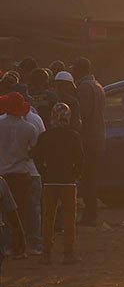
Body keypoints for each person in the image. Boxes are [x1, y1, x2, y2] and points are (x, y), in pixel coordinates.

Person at [33, 103, 81, 264]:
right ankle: (69, 253)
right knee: (69, 219)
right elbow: (80, 160)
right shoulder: (74, 136)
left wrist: (44, 173)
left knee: (48, 218)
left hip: (50, 181)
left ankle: (46, 253)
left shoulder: (45, 137)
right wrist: (75, 175)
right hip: (68, 182)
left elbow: (37, 158)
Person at [0, 92, 43, 253]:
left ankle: (7, 245)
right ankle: (25, 245)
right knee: (24, 211)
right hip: (22, 173)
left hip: (3, 174)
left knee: (5, 213)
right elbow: (34, 151)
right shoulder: (29, 128)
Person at [71, 59, 105, 226]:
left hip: (88, 138)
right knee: (91, 178)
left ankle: (90, 216)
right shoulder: (97, 85)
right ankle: (91, 214)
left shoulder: (84, 87)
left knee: (87, 179)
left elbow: (83, 113)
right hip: (97, 136)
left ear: (79, 70)